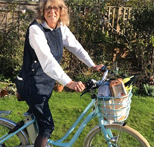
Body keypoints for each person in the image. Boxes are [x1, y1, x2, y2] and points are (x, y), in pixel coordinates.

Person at [21, 0, 103, 146]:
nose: (52, 11)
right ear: (42, 10)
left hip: (44, 83)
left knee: (36, 121)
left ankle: (25, 140)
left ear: (61, 10)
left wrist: (92, 65)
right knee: (47, 126)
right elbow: (47, 62)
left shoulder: (60, 27)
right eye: (48, 7)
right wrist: (69, 82)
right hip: (32, 84)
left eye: (56, 7)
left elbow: (76, 47)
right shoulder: (36, 30)